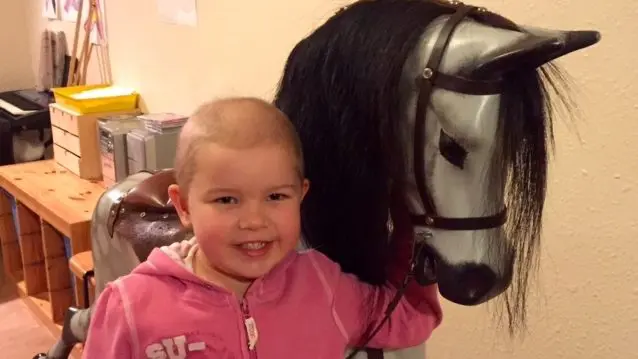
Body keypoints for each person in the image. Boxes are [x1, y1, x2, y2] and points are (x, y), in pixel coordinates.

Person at [81, 97, 442, 358]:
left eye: (275, 197)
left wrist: (414, 221)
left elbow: (407, 318)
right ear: (184, 206)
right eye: (227, 200)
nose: (254, 221)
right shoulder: (129, 306)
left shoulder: (322, 283)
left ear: (301, 196)